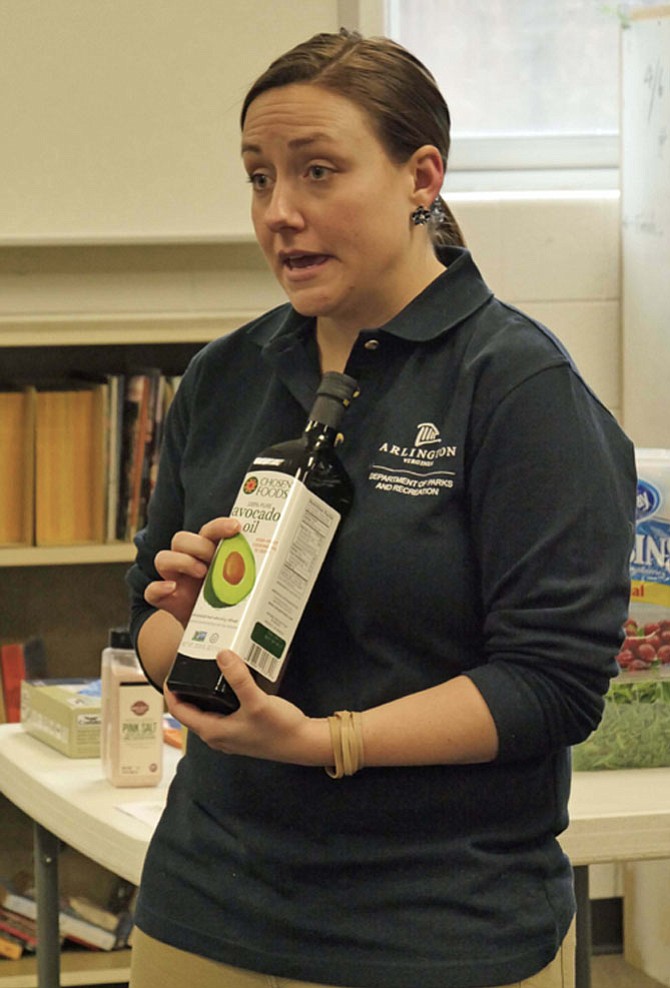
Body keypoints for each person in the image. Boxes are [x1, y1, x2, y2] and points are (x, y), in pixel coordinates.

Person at [125, 28, 636, 988]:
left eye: (319, 171)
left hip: (440, 934)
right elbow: (147, 622)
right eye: (259, 177)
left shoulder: (519, 388)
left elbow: (550, 685)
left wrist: (324, 743)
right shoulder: (225, 376)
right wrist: (190, 642)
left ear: (421, 177)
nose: (281, 212)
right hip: (207, 912)